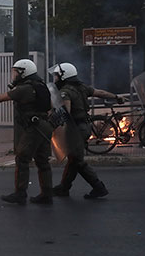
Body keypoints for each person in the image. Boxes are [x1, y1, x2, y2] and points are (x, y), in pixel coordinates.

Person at [48, 62, 123, 199]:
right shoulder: (82, 87)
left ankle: (98, 187)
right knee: (73, 159)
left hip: (75, 129)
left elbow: (66, 113)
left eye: (57, 76)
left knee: (77, 161)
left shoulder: (65, 92)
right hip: (85, 126)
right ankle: (64, 187)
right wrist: (116, 97)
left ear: (64, 76)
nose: (55, 78)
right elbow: (100, 93)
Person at [0, 59, 54, 205]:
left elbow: (1, 97)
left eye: (16, 72)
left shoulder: (24, 88)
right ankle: (46, 194)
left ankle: (20, 193)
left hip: (34, 127)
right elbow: (50, 106)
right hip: (44, 125)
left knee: (22, 158)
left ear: (24, 72)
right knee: (42, 160)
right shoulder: (41, 85)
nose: (14, 75)